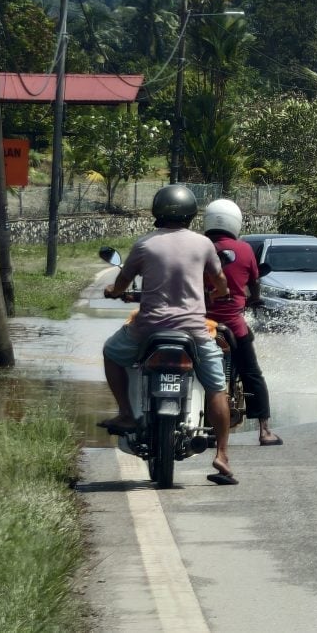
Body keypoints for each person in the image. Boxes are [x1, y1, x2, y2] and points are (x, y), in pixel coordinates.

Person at [98, 184, 238, 486]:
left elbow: (122, 282)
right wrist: (220, 293)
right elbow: (220, 280)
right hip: (194, 331)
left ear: (157, 211)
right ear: (191, 213)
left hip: (149, 328)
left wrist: (113, 291)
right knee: (217, 388)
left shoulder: (145, 245)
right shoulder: (203, 244)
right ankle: (222, 454)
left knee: (111, 352)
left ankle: (126, 412)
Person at [202, 199, 281, 446]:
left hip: (201, 325)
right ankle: (264, 430)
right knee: (252, 373)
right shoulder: (245, 250)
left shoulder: (198, 247)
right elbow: (254, 282)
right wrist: (255, 299)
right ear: (235, 222)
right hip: (233, 326)